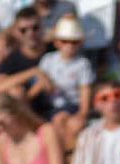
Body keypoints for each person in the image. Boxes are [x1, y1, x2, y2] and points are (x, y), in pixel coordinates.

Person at [0, 8, 52, 121]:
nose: (30, 33)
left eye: (35, 28)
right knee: (16, 92)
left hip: (60, 109)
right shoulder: (11, 60)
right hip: (29, 117)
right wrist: (32, 72)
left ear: (42, 27)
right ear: (16, 32)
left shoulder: (57, 49)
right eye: (23, 30)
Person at [41, 14, 94, 147]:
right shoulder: (48, 60)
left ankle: (64, 155)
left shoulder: (83, 64)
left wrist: (82, 114)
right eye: (65, 41)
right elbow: (40, 85)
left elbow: (85, 92)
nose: (69, 45)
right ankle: (65, 156)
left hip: (73, 107)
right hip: (51, 107)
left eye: (74, 41)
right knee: (60, 120)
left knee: (69, 122)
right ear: (57, 42)